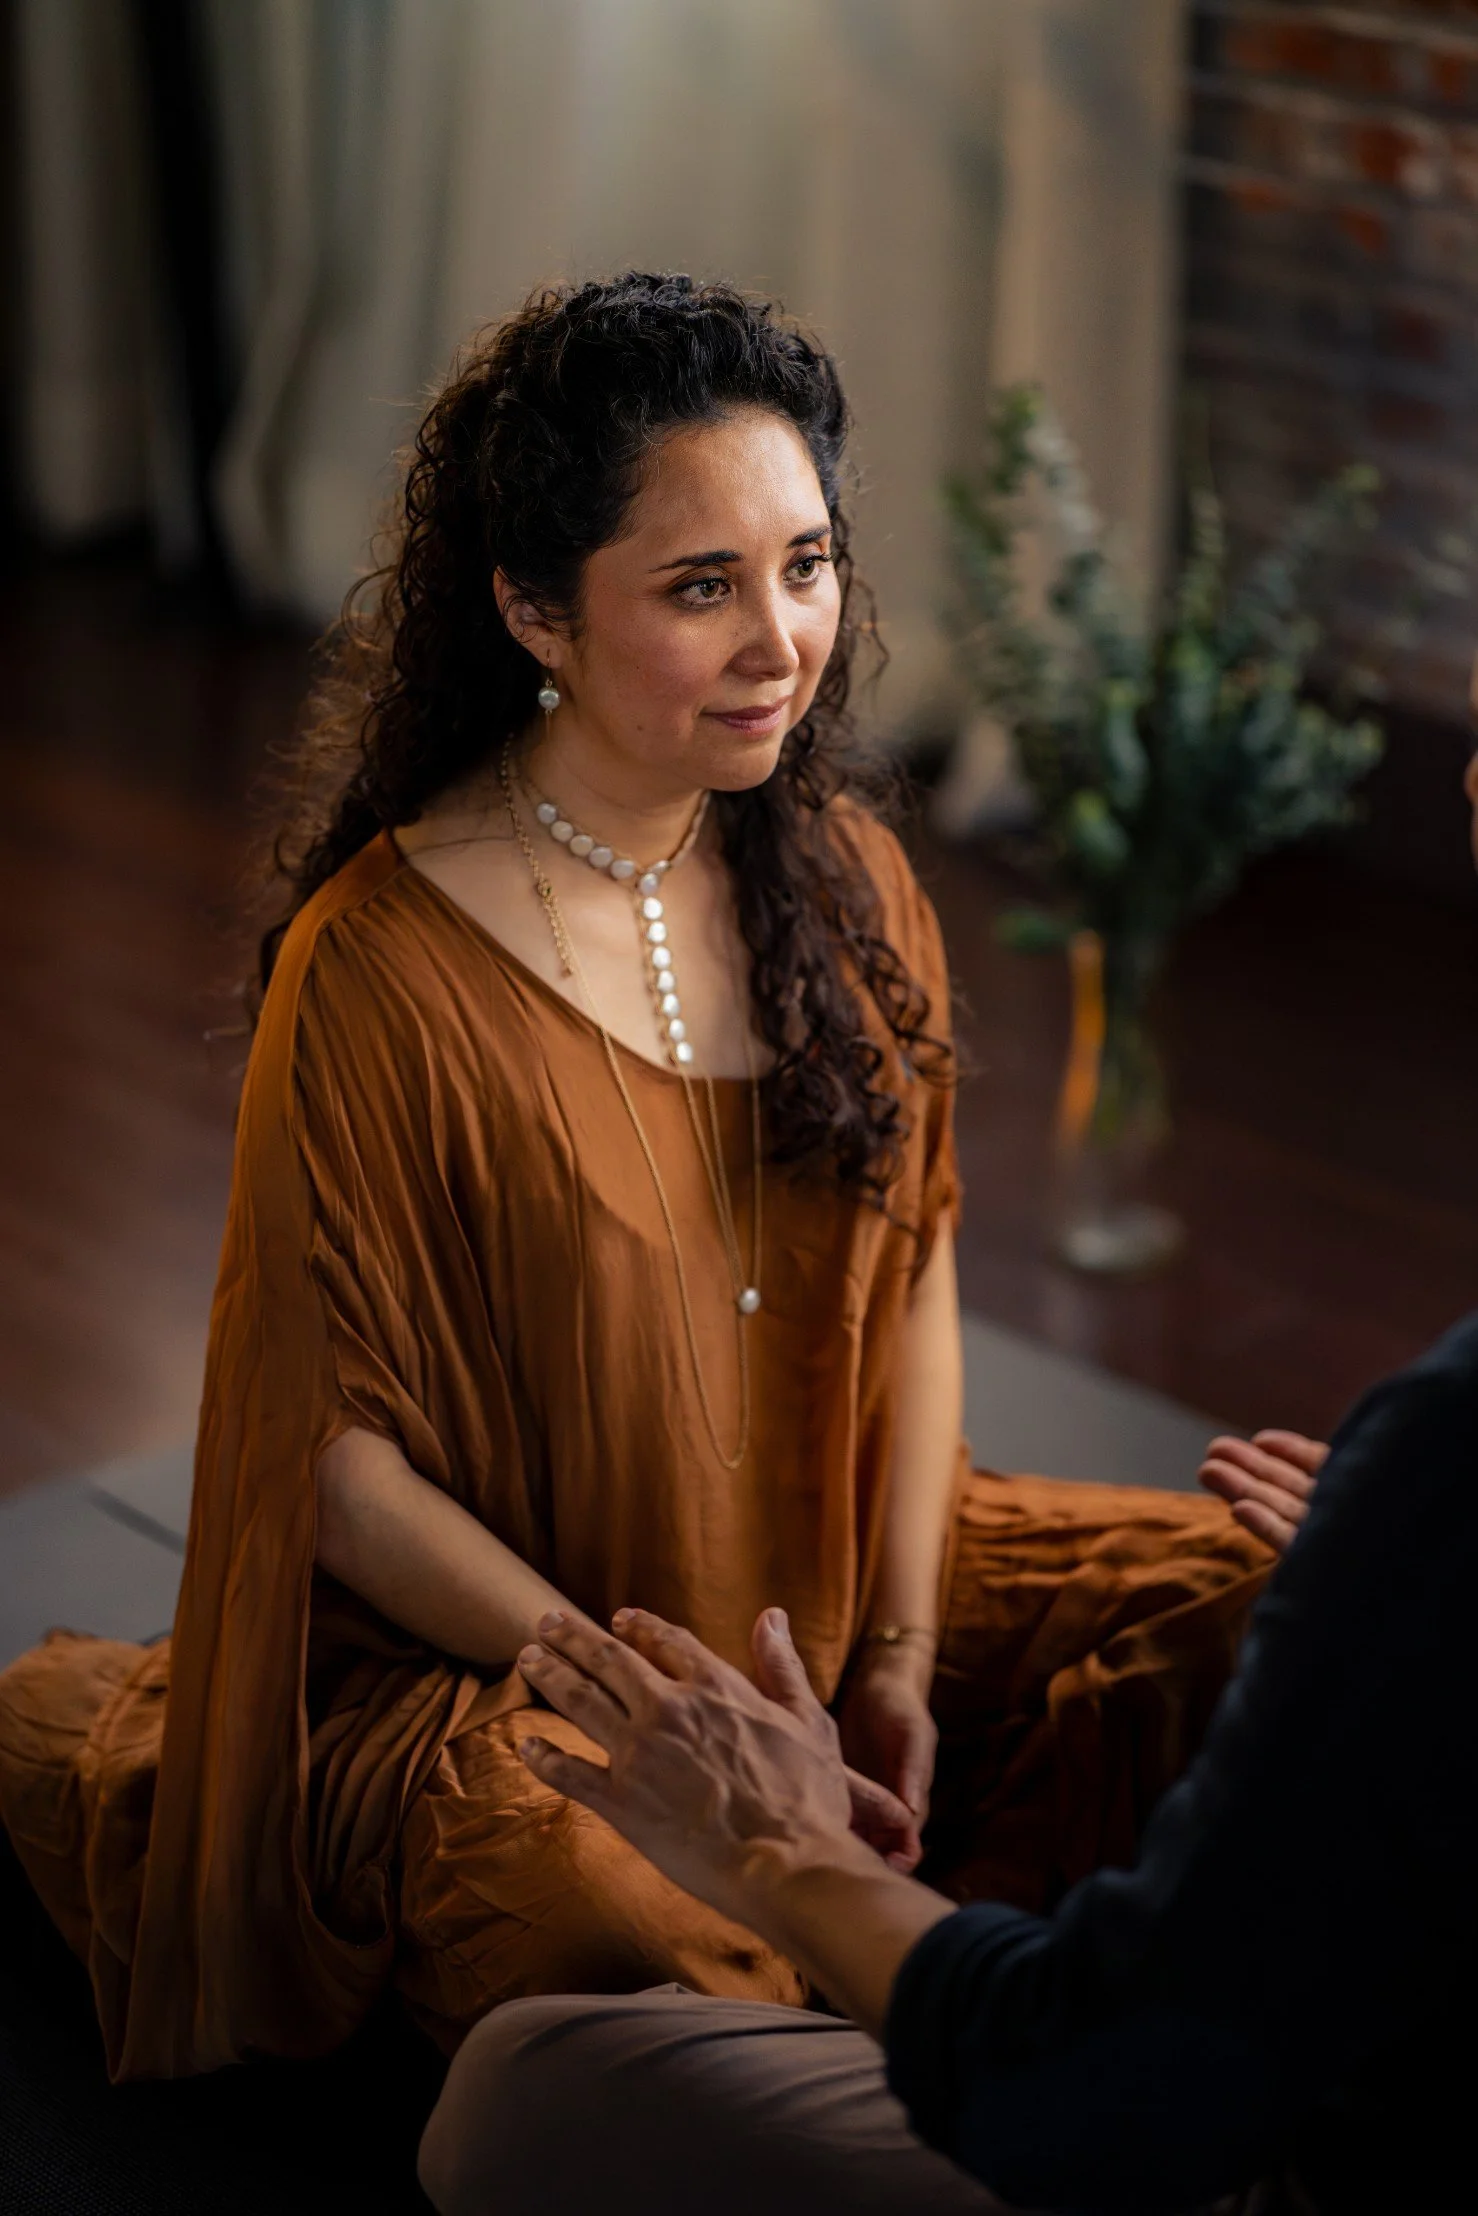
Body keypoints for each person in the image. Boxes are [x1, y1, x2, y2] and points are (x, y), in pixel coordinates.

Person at [0, 274, 1268, 2083]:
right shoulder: (377, 970)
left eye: (807, 564)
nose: (783, 640)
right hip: (532, 1667)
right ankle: (905, 1978)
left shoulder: (843, 878)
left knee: (1261, 1611)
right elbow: (334, 1470)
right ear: (532, 609)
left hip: (838, 1578)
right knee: (598, 1913)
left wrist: (896, 1671)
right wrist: (664, 1719)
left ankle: (881, 1955)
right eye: (702, 586)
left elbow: (909, 1295)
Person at [415, 733, 1478, 2215]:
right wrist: (1409, 1618)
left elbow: (1108, 2096)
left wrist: (776, 1847)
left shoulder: (1441, 1458)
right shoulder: (386, 955)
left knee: (517, 2097)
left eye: (800, 570)